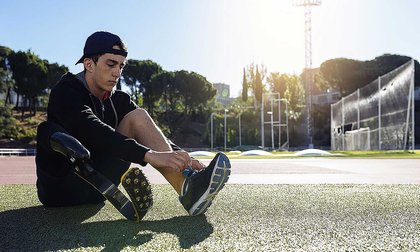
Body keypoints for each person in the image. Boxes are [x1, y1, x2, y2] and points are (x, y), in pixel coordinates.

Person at [36, 31, 231, 220]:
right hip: (61, 190)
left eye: (121, 66)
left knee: (138, 117)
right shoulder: (66, 92)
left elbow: (151, 134)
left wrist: (184, 159)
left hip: (97, 190)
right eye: (111, 64)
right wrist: (149, 155)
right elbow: (93, 130)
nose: (117, 72)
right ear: (89, 64)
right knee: (47, 130)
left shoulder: (119, 99)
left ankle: (188, 188)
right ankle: (189, 187)